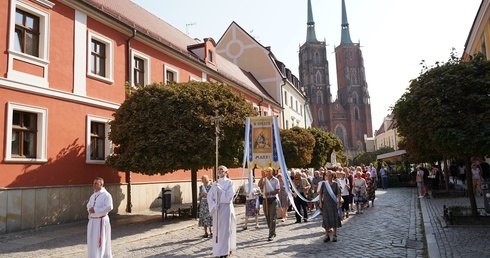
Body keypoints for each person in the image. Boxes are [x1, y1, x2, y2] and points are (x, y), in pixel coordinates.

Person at [207, 165, 236, 258]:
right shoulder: (215, 183)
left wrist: (221, 191)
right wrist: (213, 205)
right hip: (217, 209)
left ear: (226, 172)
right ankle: (217, 250)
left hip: (226, 208)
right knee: (217, 230)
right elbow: (209, 196)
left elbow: (229, 196)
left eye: (222, 169)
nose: (219, 171)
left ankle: (224, 251)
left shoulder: (229, 182)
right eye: (218, 169)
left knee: (225, 230)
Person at [87, 177, 113, 258]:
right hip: (92, 221)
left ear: (101, 184)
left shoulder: (106, 195)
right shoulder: (93, 195)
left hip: (101, 221)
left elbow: (109, 207)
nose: (94, 185)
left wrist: (95, 210)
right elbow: (88, 205)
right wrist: (90, 210)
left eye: (96, 183)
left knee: (101, 241)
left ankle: (101, 256)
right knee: (91, 240)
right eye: (93, 183)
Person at [319, 170, 342, 242]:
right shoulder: (324, 184)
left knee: (334, 218)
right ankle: (327, 235)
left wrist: (338, 203)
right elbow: (320, 193)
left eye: (330, 175)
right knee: (326, 219)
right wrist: (320, 202)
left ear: (332, 176)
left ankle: (334, 235)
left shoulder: (335, 184)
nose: (328, 177)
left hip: (333, 204)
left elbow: (339, 194)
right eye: (327, 175)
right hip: (325, 204)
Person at [258, 167, 280, 241]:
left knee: (272, 218)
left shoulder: (276, 180)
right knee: (267, 217)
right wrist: (262, 178)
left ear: (272, 172)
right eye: (267, 171)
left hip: (273, 199)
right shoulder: (264, 179)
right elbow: (259, 185)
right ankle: (272, 231)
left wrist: (270, 193)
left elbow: (278, 190)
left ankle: (271, 234)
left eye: (269, 171)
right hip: (265, 200)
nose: (268, 172)